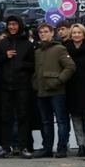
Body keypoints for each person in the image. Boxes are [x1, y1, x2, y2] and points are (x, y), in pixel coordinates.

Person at [32, 22, 76, 158]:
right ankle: (47, 148)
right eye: (41, 32)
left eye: (46, 31)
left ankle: (62, 148)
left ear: (52, 33)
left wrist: (58, 81)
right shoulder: (37, 51)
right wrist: (34, 83)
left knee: (62, 121)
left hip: (57, 92)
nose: (43, 34)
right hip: (41, 91)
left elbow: (70, 67)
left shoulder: (59, 49)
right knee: (46, 121)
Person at [0, 16, 35, 159]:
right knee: (5, 117)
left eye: (15, 24)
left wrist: (21, 65)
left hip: (22, 85)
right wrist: (5, 56)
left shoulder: (28, 44)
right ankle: (6, 147)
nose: (12, 27)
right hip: (5, 86)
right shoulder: (2, 43)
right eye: (10, 24)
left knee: (23, 116)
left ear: (20, 25)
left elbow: (33, 65)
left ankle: (24, 147)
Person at [64, 23, 85, 156]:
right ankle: (80, 146)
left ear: (84, 34)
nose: (76, 35)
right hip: (71, 87)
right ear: (71, 34)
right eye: (74, 33)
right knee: (76, 118)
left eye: (79, 32)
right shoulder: (65, 48)